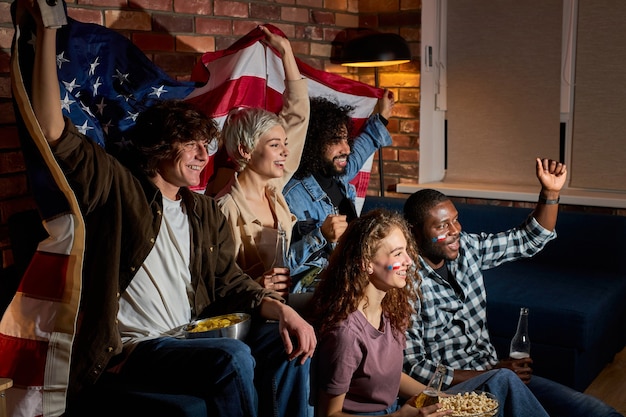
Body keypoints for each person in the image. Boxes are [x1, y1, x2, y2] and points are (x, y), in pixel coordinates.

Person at [24, 1, 316, 416]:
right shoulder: (119, 190)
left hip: (191, 337)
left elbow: (231, 283)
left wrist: (284, 311)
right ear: (160, 147)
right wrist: (48, 29)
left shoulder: (203, 213)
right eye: (192, 145)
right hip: (136, 348)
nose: (203, 155)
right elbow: (54, 132)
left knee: (284, 342)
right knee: (235, 357)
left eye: (207, 145)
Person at [403, 158, 623, 417]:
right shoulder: (404, 285)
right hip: (458, 393)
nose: (456, 231)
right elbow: (415, 368)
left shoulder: (467, 249)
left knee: (599, 412)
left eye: (456, 220)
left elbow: (528, 238)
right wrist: (494, 373)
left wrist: (550, 193)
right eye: (442, 226)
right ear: (413, 233)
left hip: (498, 373)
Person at [308, 209, 549, 417]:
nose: (409, 261)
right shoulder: (346, 334)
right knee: (503, 384)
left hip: (406, 408)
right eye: (397, 254)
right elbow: (328, 413)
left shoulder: (390, 308)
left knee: (501, 383)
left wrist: (447, 399)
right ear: (366, 263)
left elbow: (392, 377)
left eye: (406, 251)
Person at [214, 27, 324, 299]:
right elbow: (215, 282)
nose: (285, 152)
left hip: (284, 302)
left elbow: (298, 115)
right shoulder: (225, 208)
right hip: (250, 315)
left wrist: (286, 52)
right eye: (275, 145)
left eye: (285, 144)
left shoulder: (275, 185)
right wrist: (256, 284)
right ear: (246, 150)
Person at [283, 93, 394, 290]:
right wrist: (320, 236)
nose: (346, 148)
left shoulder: (339, 175)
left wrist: (383, 115)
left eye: (346, 139)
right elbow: (281, 267)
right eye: (336, 140)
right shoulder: (291, 195)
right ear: (313, 143)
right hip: (319, 296)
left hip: (354, 284)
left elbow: (365, 144)